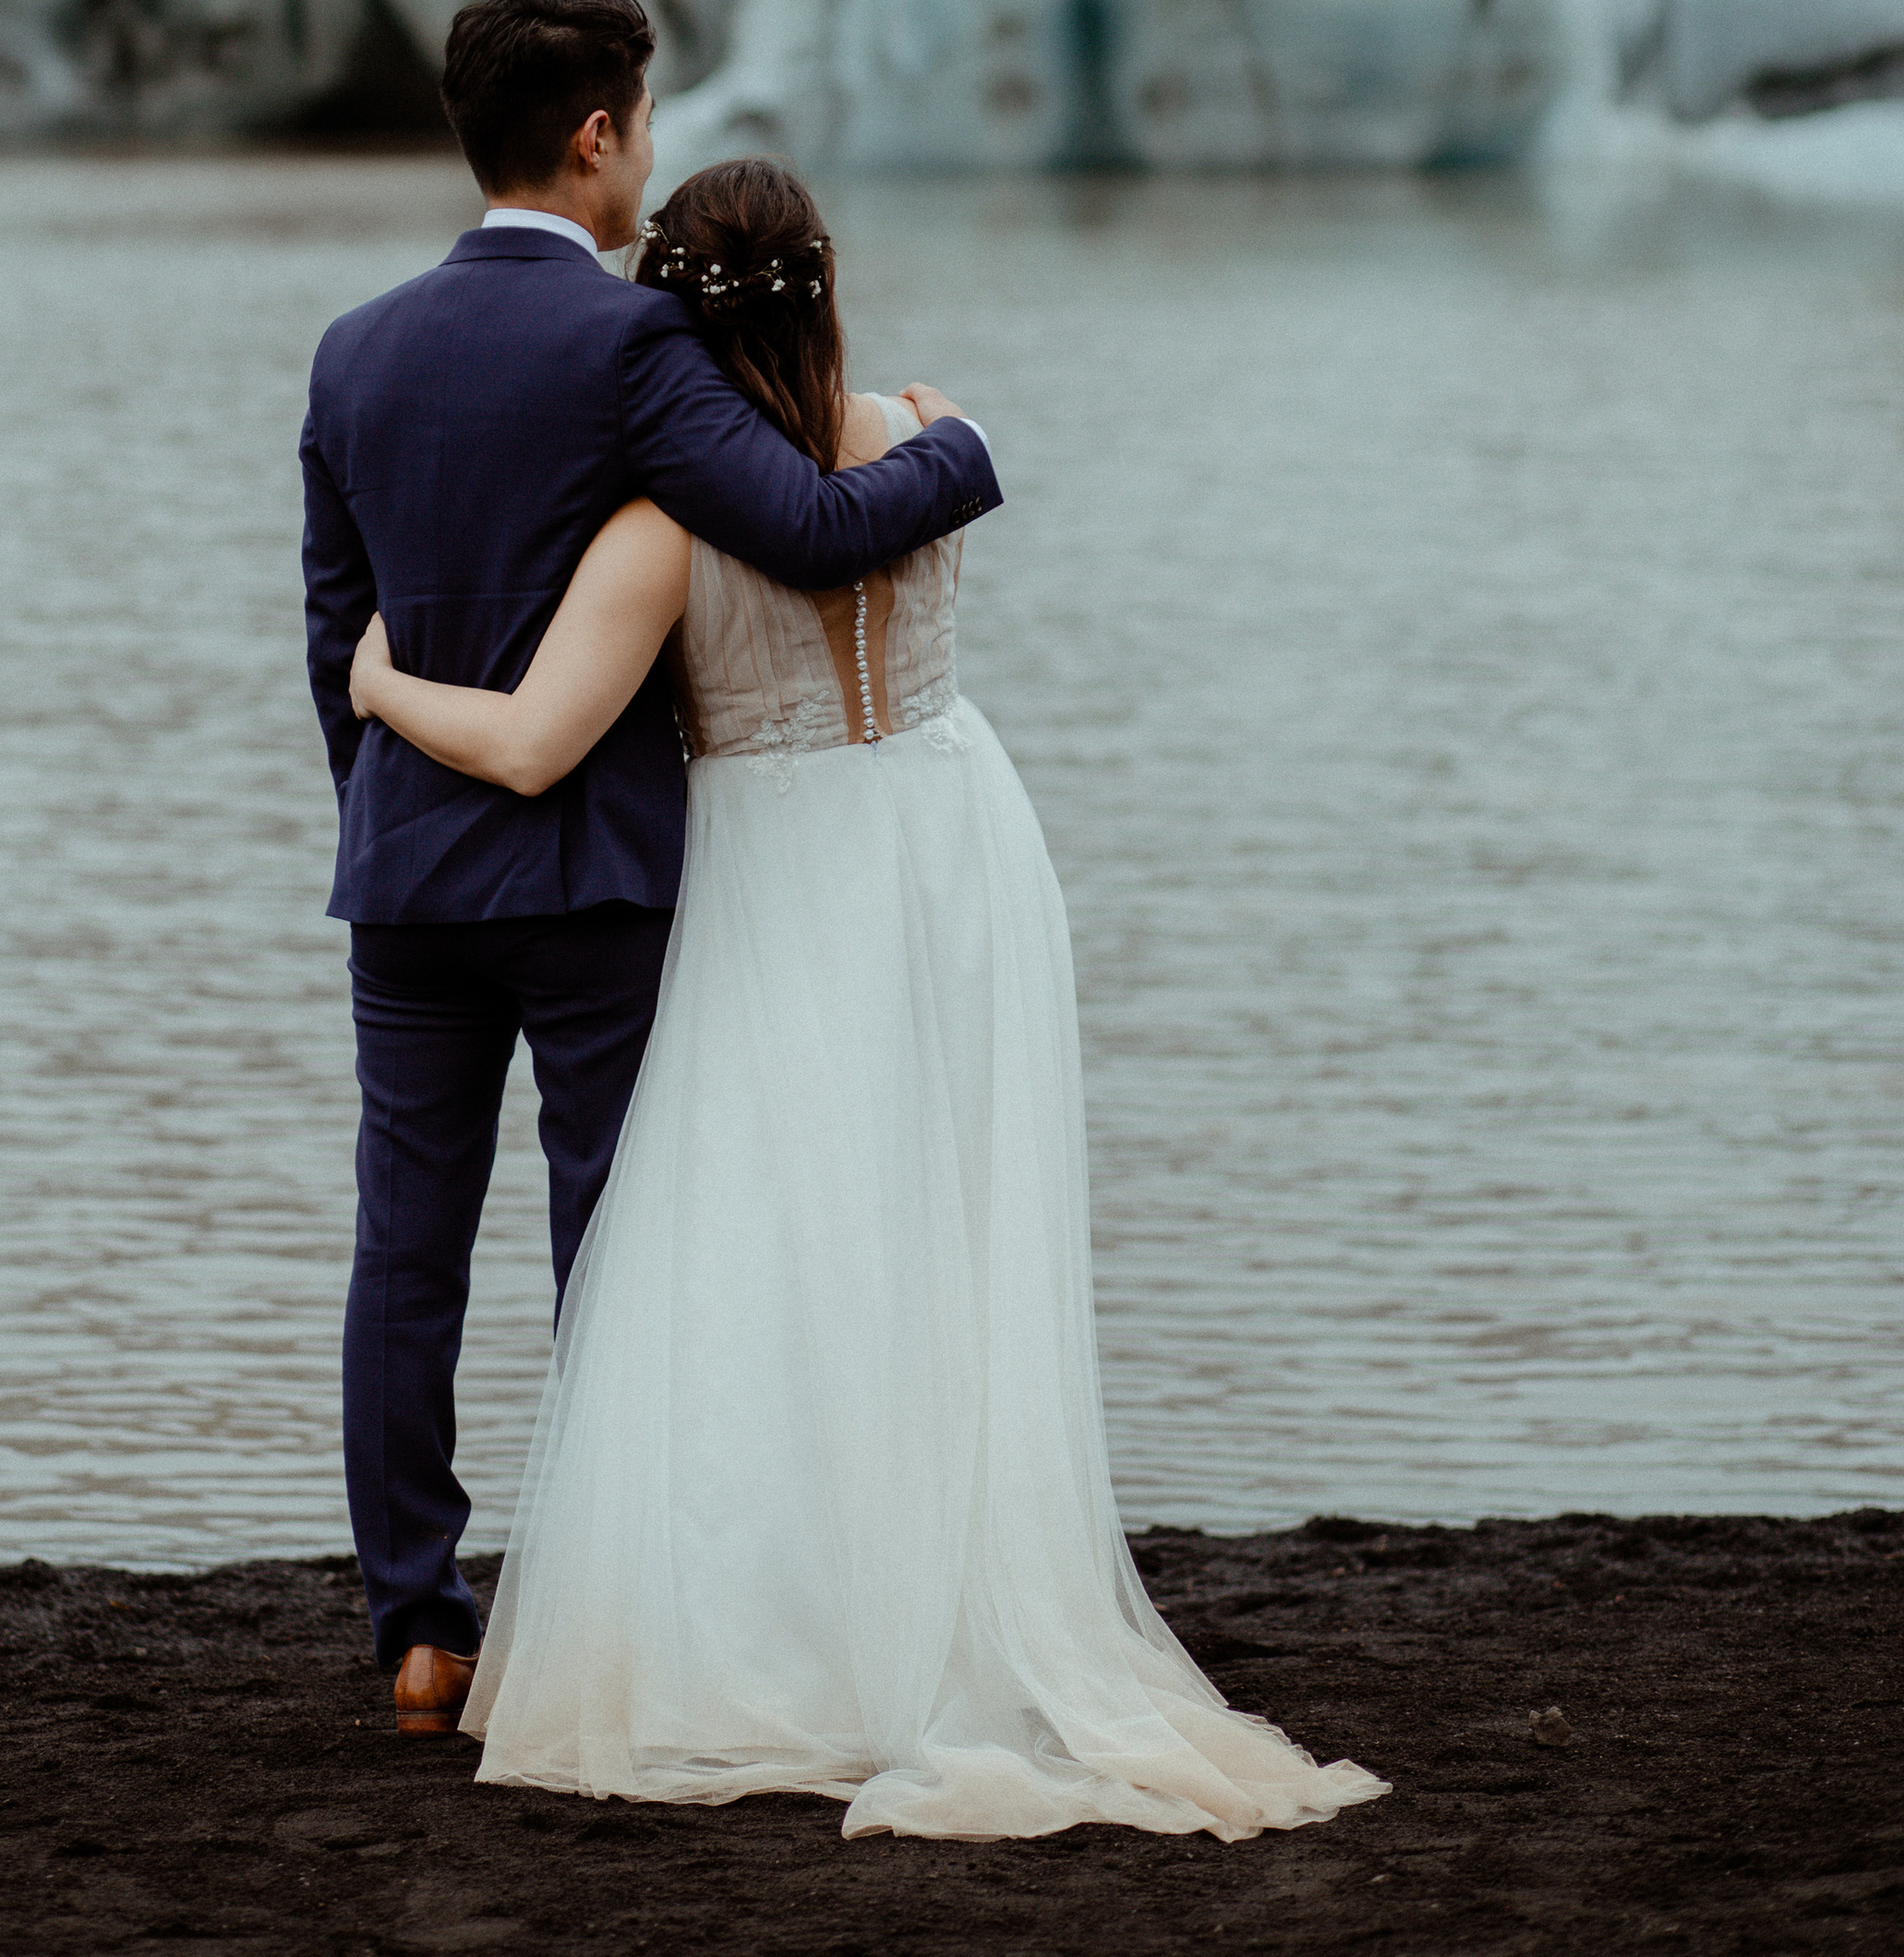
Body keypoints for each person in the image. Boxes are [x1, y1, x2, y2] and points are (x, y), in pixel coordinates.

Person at [347, 154, 1389, 1842]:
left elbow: (536, 743)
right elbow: (871, 525)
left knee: (759, 1242)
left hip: (778, 872)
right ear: (827, 282)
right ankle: (948, 1588)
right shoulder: (927, 422)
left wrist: (385, 681)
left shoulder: (659, 527)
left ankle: (780, 1620)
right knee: (942, 1242)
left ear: (666, 317)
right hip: (954, 838)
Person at [299, 0, 1000, 1734]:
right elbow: (807, 529)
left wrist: (383, 818)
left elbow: (339, 637)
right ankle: (627, 1606)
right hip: (597, 876)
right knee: (620, 1246)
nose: (651, 157)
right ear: (599, 137)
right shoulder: (636, 346)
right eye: (649, 123)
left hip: (409, 879)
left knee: (406, 1245)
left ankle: (417, 1631)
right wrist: (965, 452)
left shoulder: (355, 350)